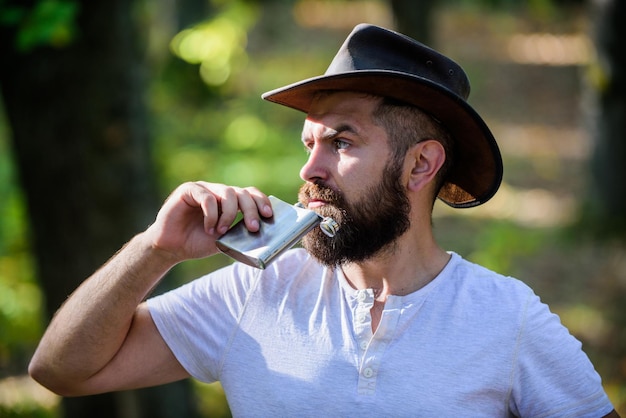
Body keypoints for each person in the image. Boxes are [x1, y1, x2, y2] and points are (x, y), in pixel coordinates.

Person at [29, 23, 618, 417]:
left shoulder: (505, 317)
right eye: (308, 143)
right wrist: (154, 249)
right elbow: (61, 369)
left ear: (421, 165)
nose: (310, 168)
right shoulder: (252, 290)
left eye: (341, 141)